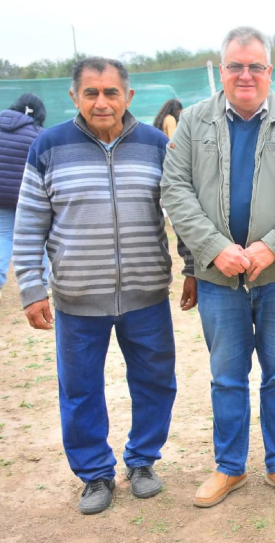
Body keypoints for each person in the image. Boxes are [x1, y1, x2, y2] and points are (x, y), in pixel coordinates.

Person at [13, 57, 197, 515]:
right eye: (91, 92)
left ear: (128, 97)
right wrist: (32, 288)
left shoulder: (157, 145)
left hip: (146, 295)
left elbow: (183, 211)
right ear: (74, 96)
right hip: (77, 300)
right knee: (80, 390)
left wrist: (192, 266)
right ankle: (95, 473)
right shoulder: (48, 146)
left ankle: (142, 462)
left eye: (111, 92)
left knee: (156, 381)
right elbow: (30, 221)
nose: (101, 102)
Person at [161, 26, 275, 508]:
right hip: (219, 278)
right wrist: (214, 248)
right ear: (221, 70)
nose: (245, 74)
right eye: (235, 65)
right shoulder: (194, 122)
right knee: (227, 376)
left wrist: (272, 246)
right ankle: (229, 467)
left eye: (255, 66)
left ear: (269, 71)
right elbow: (175, 191)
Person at [0, 93, 48, 300]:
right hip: (28, 196)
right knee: (40, 237)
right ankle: (43, 283)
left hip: (1, 196)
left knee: (3, 235)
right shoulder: (38, 134)